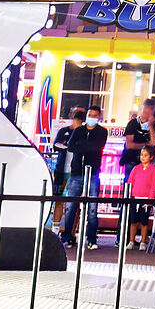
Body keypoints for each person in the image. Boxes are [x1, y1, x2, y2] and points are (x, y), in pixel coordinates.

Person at [60, 107, 107, 249]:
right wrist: (85, 147)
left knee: (92, 207)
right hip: (76, 173)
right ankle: (67, 237)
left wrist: (82, 146)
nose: (92, 117)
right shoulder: (78, 131)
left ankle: (91, 239)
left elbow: (97, 147)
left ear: (99, 117)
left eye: (95, 115)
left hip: (93, 173)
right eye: (90, 115)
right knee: (71, 207)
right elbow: (70, 147)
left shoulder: (102, 132)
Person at [124, 144, 155, 251]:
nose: (142, 157)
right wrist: (130, 195)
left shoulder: (153, 170)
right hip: (135, 198)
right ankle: (131, 241)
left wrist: (150, 200)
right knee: (133, 221)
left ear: (151, 157)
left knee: (144, 222)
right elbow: (130, 182)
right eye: (141, 155)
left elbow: (154, 186)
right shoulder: (136, 168)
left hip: (146, 200)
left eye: (145, 155)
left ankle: (143, 241)